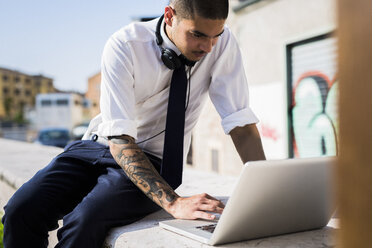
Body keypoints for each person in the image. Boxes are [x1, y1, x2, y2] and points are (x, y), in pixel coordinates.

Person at [2, 0, 266, 247]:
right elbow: (118, 139)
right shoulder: (125, 44)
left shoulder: (222, 43)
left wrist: (265, 189)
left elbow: (239, 121)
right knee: (20, 210)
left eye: (215, 35)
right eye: (197, 34)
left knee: (83, 221)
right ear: (169, 16)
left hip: (155, 160)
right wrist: (173, 203)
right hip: (99, 146)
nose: (208, 47)